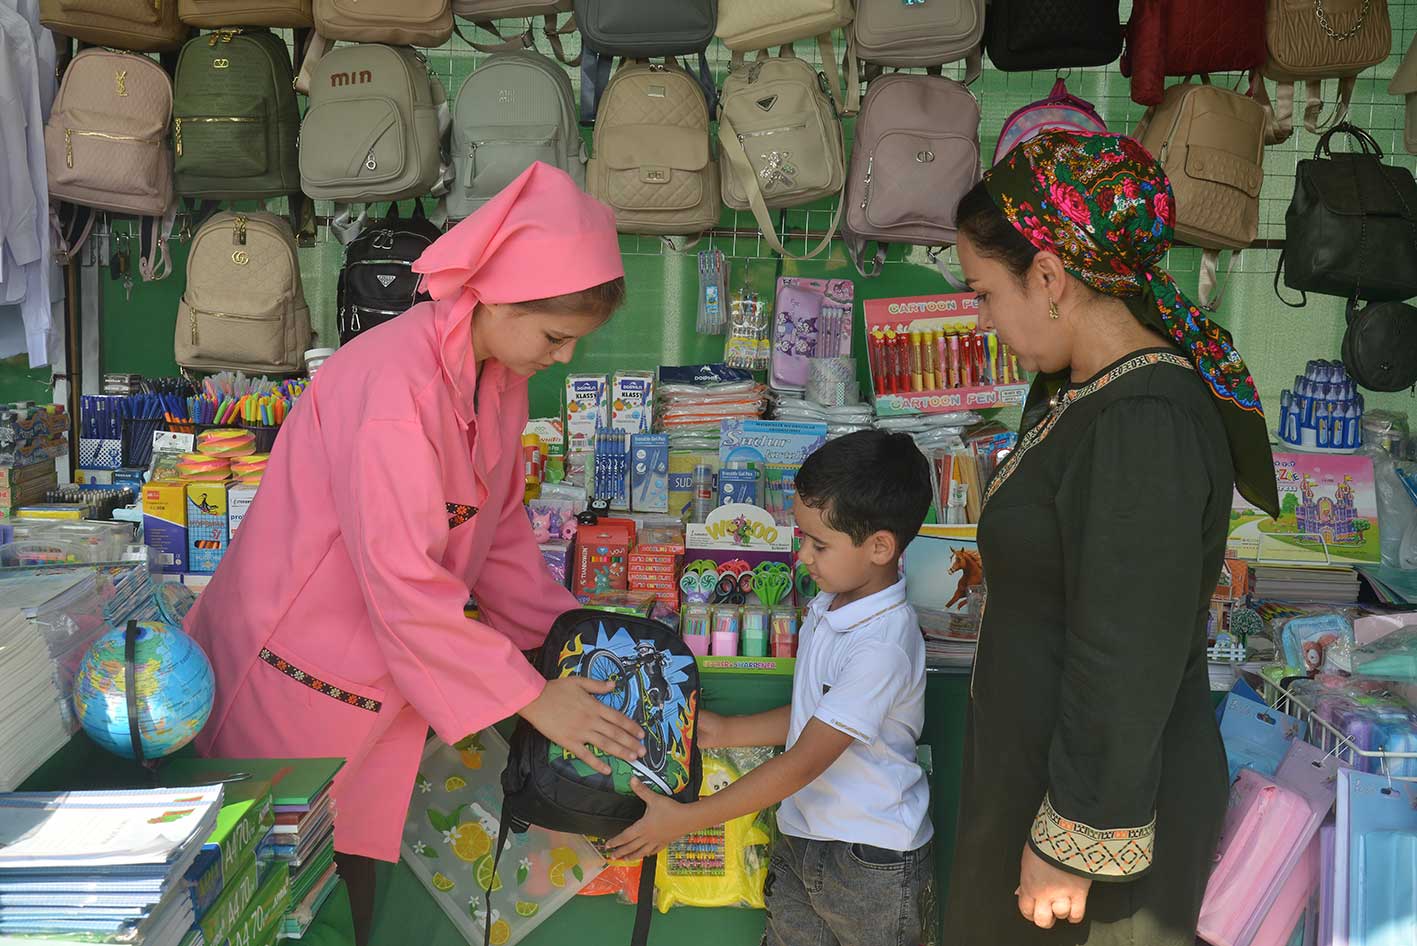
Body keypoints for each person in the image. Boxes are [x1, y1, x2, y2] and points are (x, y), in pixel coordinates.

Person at [184, 163, 646, 946]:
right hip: (293, 670)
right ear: (497, 297)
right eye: (556, 337)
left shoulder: (495, 375)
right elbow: (402, 582)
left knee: (342, 879)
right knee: (275, 896)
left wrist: (572, 637)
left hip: (375, 665)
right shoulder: (395, 389)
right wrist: (532, 695)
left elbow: (494, 534)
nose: (563, 359)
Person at [942, 131, 1280, 945]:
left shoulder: (1143, 420)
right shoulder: (1087, 393)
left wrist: (1071, 843)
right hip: (1045, 787)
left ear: (1050, 277)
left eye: (984, 292)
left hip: (1093, 832)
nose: (982, 318)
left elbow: (1123, 648)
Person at [607, 429, 937, 946]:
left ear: (879, 547)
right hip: (805, 836)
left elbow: (805, 759)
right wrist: (725, 731)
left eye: (818, 544)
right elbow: (819, 714)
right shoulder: (832, 605)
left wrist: (686, 820)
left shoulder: (882, 644)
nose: (802, 555)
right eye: (802, 537)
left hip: (870, 858)